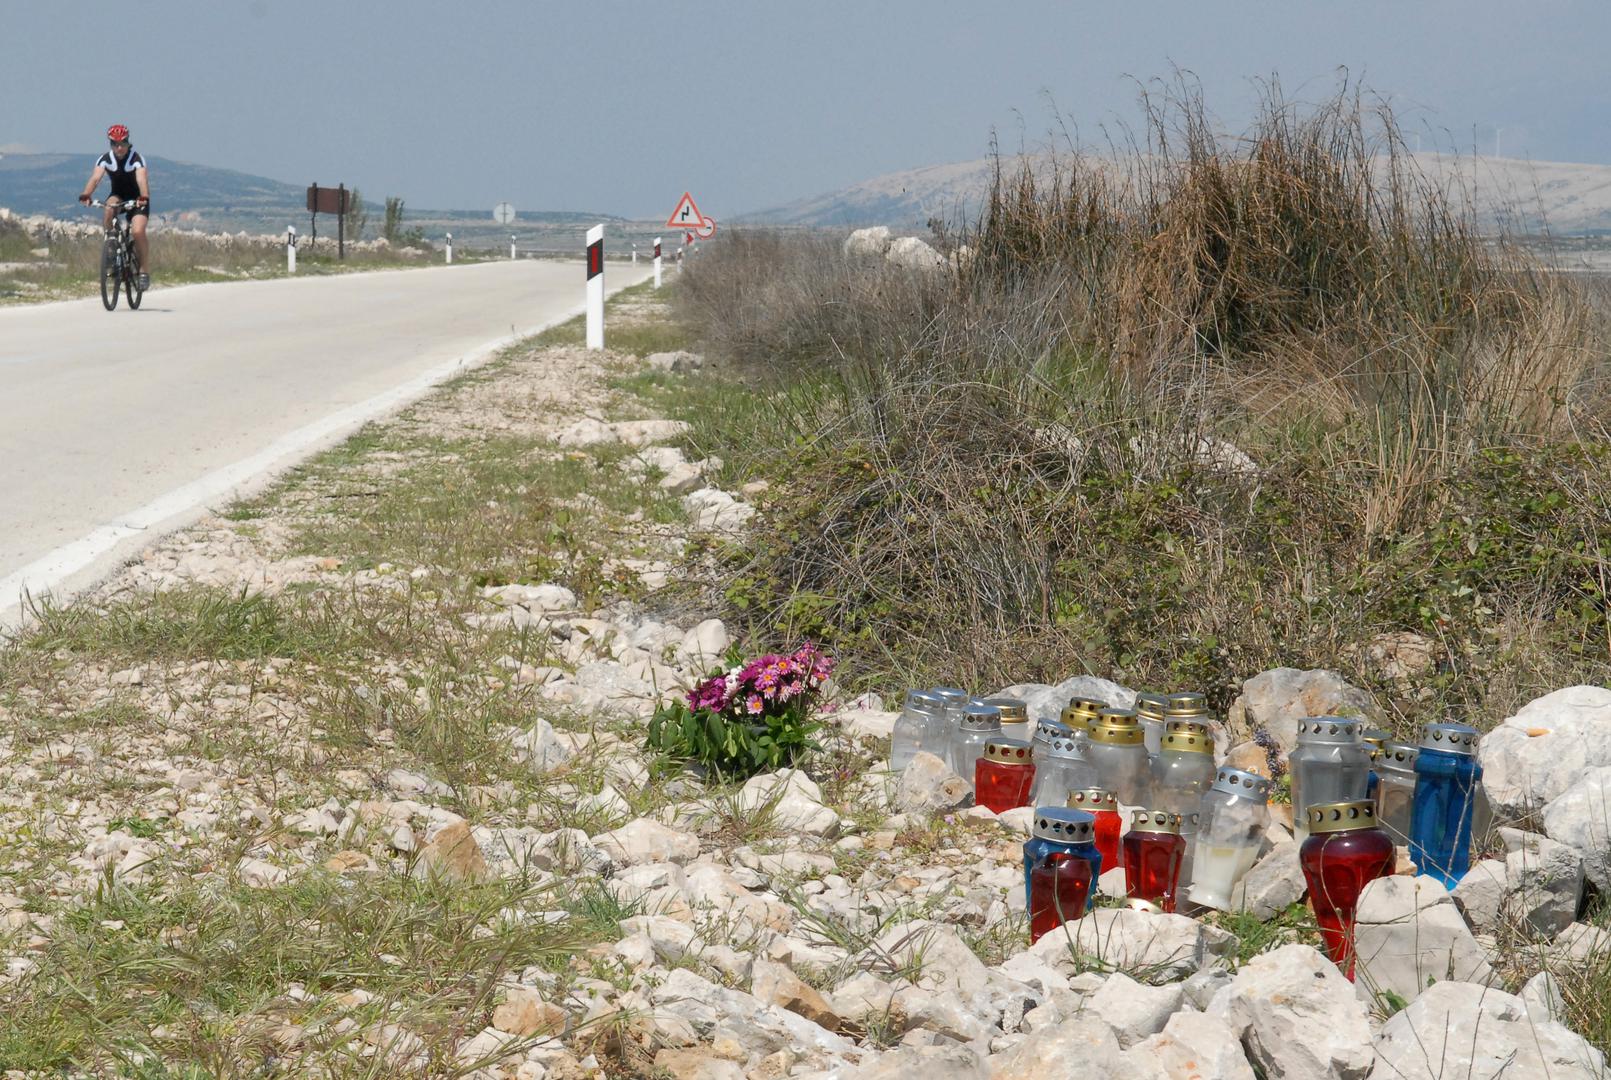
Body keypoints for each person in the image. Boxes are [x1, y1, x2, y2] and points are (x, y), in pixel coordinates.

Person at [77, 123, 150, 290]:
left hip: (139, 198)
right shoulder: (105, 159)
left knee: (138, 231)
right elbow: (95, 178)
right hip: (118, 195)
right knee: (108, 210)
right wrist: (86, 194)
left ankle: (144, 271)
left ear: (128, 143)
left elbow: (141, 180)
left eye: (122, 143)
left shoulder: (136, 159)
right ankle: (111, 248)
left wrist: (143, 197)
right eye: (115, 144)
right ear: (110, 144)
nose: (119, 148)